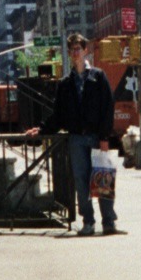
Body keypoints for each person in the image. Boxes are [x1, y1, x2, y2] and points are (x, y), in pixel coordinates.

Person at [26, 33, 118, 234]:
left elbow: (107, 108)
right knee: (81, 181)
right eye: (72, 50)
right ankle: (88, 222)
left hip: (96, 136)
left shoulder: (98, 77)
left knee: (103, 178)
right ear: (69, 53)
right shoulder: (65, 84)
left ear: (85, 51)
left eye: (78, 49)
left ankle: (108, 221)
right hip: (76, 138)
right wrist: (41, 129)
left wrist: (105, 137)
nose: (75, 53)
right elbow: (58, 115)